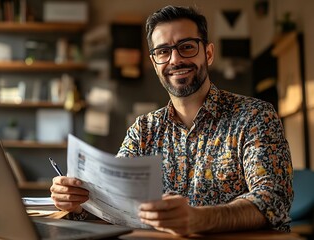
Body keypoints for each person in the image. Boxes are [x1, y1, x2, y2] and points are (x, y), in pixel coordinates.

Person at [50, 5, 293, 236]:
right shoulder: (142, 130)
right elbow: (118, 206)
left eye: (186, 47)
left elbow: (272, 199)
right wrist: (79, 204)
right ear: (155, 63)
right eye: (163, 51)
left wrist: (201, 219)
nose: (175, 59)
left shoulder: (255, 116)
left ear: (208, 53)